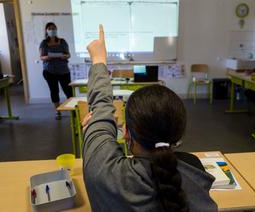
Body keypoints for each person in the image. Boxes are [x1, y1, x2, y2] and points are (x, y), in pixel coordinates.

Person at [82, 25, 217, 211]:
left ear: (126, 133)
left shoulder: (104, 173)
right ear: (178, 135)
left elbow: (101, 109)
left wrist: (99, 60)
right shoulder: (193, 171)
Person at [39, 22, 73, 120]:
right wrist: (48, 57)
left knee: (68, 91)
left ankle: (72, 111)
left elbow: (68, 55)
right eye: (50, 28)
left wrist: (64, 56)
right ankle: (57, 111)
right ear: (46, 30)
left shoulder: (62, 41)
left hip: (63, 71)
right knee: (54, 91)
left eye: (54, 28)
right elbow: (41, 57)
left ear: (56, 30)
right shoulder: (44, 43)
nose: (52, 30)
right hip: (49, 71)